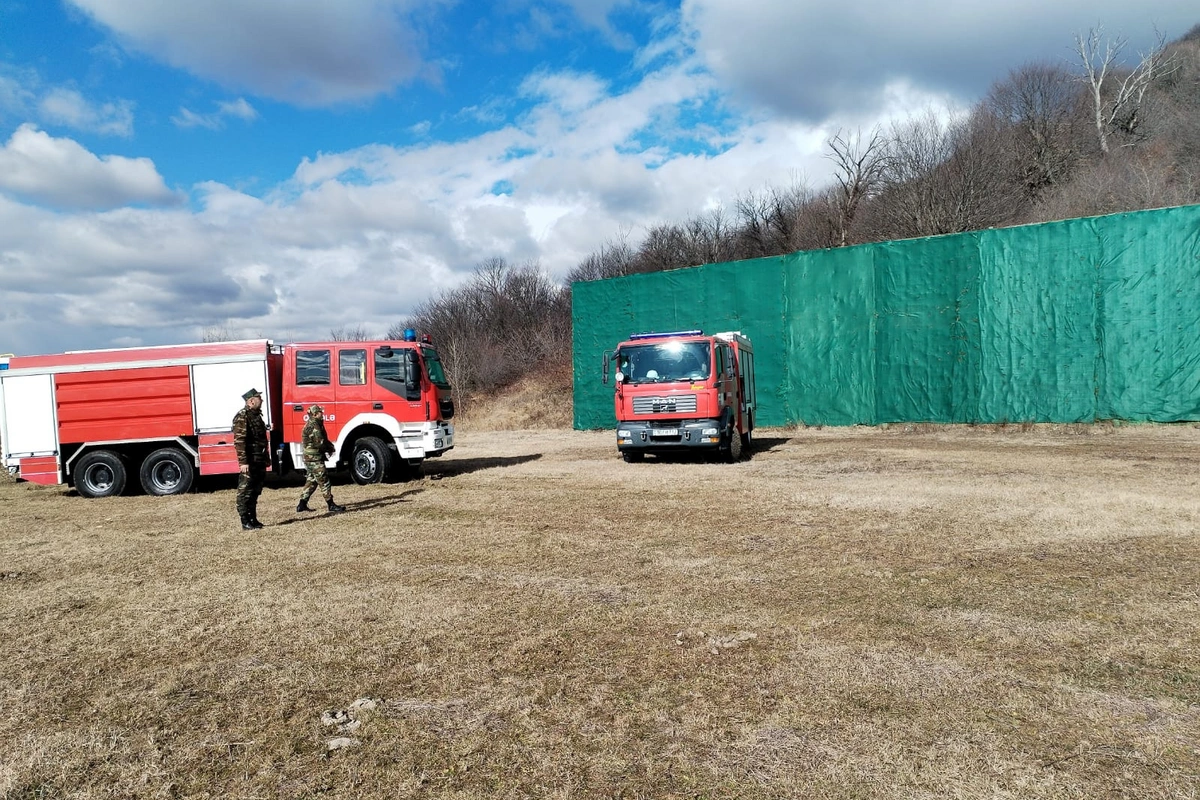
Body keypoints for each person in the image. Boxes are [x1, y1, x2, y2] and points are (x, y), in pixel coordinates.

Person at [296, 405, 345, 515]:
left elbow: (323, 440)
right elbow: (320, 442)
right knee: (324, 480)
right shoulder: (314, 426)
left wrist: (330, 447)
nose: (322, 413)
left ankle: (302, 504)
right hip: (314, 458)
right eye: (319, 412)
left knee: (312, 481)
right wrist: (328, 449)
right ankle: (331, 504)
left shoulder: (316, 424)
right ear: (314, 414)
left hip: (311, 457)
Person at [232, 387, 269, 530]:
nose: (262, 400)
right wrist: (243, 462)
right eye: (259, 398)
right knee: (245, 490)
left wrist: (266, 458)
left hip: (258, 459)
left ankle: (253, 518)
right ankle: (245, 520)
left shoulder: (256, 416)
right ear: (251, 401)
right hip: (250, 461)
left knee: (255, 490)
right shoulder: (243, 416)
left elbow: (262, 440)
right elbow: (240, 441)